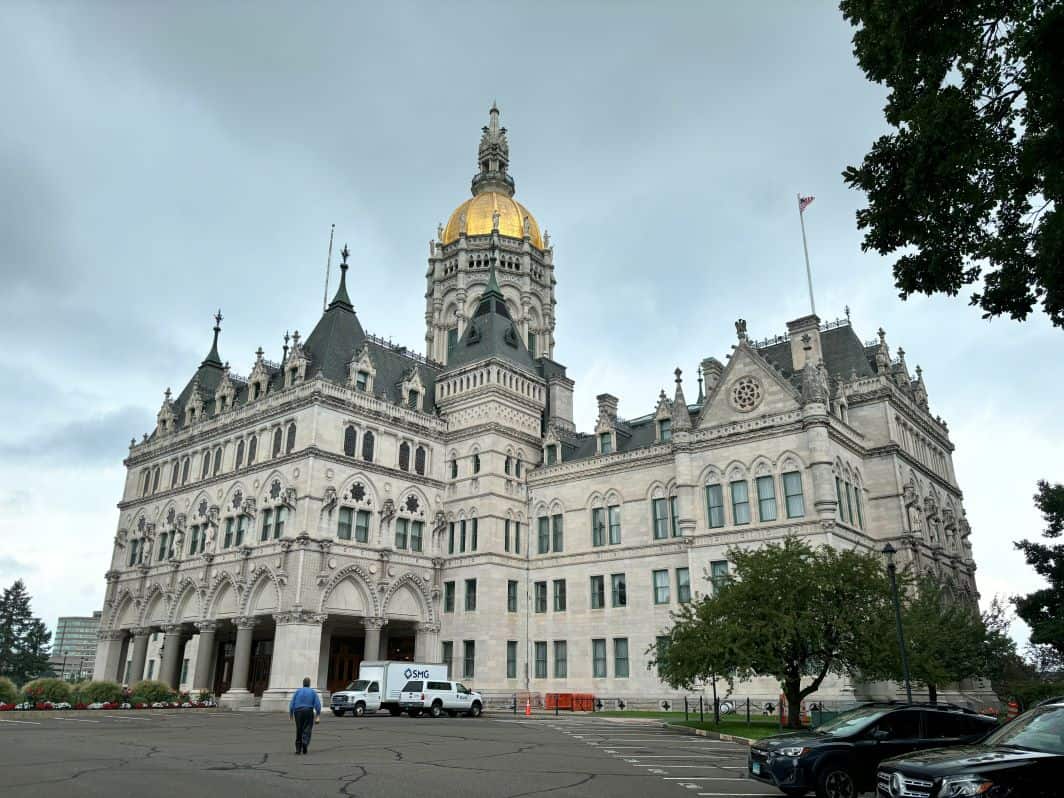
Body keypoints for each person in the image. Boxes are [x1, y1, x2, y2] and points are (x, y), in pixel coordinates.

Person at [289, 677, 321, 754]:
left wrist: (291, 715)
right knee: (307, 728)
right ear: (309, 684)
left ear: (303, 684)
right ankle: (305, 742)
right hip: (308, 711)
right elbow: (318, 705)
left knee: (299, 729)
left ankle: (298, 749)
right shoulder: (313, 692)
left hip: (298, 712)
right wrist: (317, 715)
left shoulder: (298, 691)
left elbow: (291, 704)